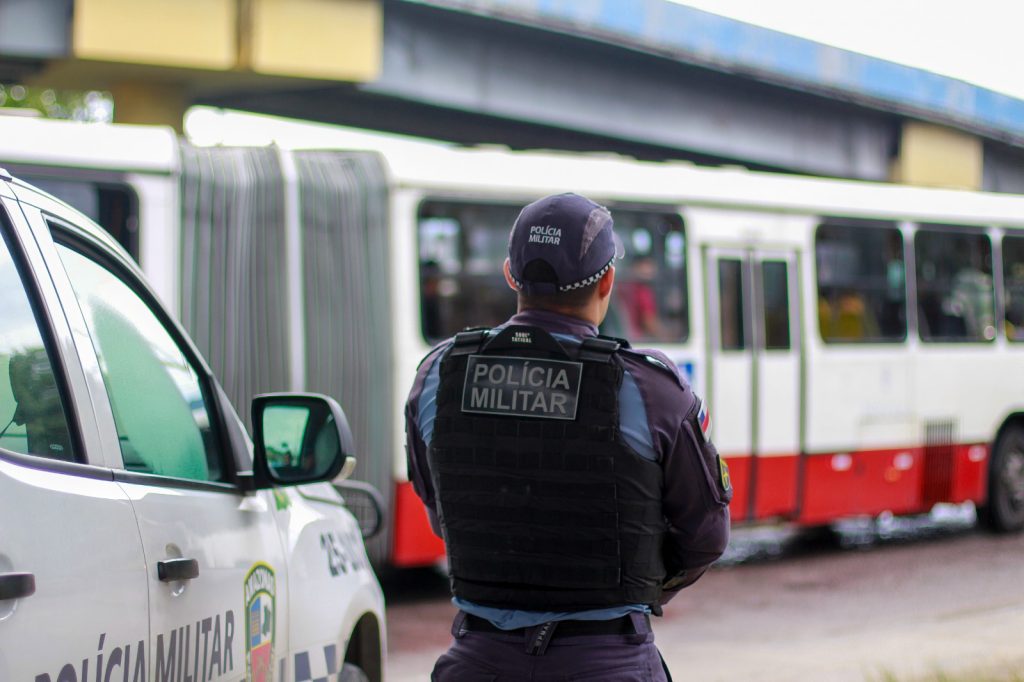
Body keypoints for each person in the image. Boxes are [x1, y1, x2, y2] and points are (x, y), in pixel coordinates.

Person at [405, 192, 732, 681]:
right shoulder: (649, 388)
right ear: (608, 280)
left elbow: (441, 512)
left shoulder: (438, 375)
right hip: (607, 661)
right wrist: (634, 576)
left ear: (511, 275)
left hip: (476, 660)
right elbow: (706, 535)